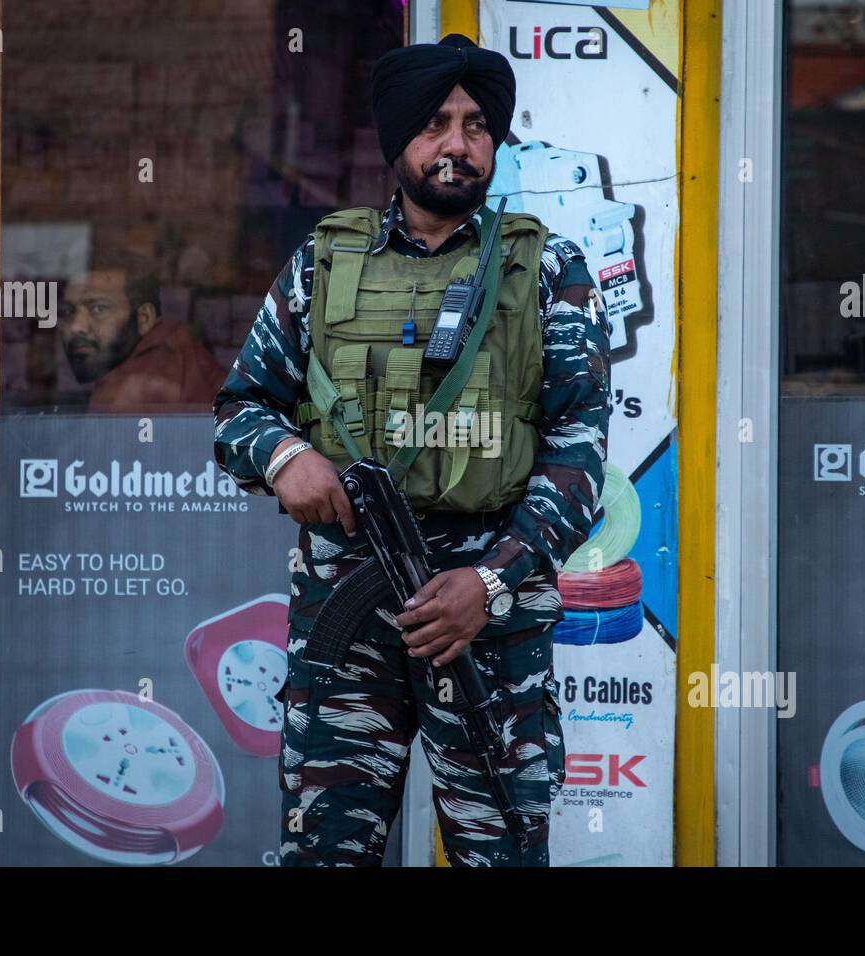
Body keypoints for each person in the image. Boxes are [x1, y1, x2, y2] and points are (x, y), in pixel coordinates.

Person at [213, 34, 610, 867]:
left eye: (475, 125)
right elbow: (240, 410)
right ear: (399, 140)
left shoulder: (548, 271)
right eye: (435, 124)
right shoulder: (323, 266)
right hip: (347, 618)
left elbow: (578, 456)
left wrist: (491, 581)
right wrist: (289, 460)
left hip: (486, 629)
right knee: (326, 853)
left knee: (501, 850)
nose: (457, 145)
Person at [59, 253, 226, 412]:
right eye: (68, 312)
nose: (76, 326)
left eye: (98, 308)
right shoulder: (177, 354)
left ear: (144, 318)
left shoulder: (139, 387)